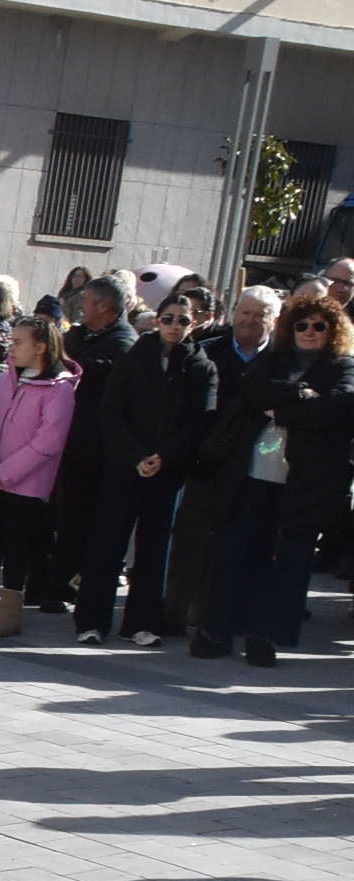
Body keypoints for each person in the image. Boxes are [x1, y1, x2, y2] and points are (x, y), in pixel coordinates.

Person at [199, 294, 354, 666]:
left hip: (304, 480)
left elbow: (340, 404)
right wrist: (299, 396)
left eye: (320, 326)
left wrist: (282, 409)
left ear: (333, 331)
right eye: (302, 325)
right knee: (237, 550)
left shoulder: (343, 365)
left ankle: (264, 636)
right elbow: (252, 386)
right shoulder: (276, 358)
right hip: (253, 472)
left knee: (287, 561)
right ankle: (217, 630)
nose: (310, 332)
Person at [73, 295, 211, 647]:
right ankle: (91, 621)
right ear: (156, 320)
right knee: (108, 542)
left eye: (183, 320)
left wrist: (165, 456)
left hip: (168, 470)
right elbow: (112, 412)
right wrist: (136, 455)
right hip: (124, 465)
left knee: (154, 547)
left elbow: (198, 422)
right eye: (168, 318)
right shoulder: (133, 359)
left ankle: (142, 622)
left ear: (193, 324)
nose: (174, 326)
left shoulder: (200, 366)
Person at [0, 314, 79, 639]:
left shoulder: (59, 389)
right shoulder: (4, 379)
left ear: (40, 347)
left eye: (17, 342)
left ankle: (11, 611)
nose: (10, 348)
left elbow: (49, 441)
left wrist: (7, 470)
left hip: (25, 485)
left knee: (16, 546)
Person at [174, 285, 281, 635]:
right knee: (192, 540)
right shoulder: (207, 351)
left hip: (256, 468)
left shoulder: (282, 360)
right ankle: (177, 611)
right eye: (245, 312)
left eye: (260, 314)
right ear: (233, 313)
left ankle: (224, 613)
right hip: (206, 462)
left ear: (275, 320)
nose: (250, 321)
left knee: (238, 543)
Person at [37, 272, 138, 611]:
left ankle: (69, 585)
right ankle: (45, 581)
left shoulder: (124, 342)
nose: (80, 308)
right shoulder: (78, 335)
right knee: (56, 517)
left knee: (82, 521)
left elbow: (91, 378)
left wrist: (74, 367)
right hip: (63, 440)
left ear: (105, 306)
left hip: (95, 448)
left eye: (87, 302)